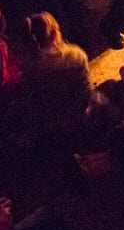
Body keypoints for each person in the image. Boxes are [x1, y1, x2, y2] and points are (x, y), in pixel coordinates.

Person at [19, 11, 92, 143]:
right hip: (74, 122)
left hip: (46, 123)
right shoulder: (76, 55)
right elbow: (85, 96)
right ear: (55, 34)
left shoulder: (27, 62)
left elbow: (31, 97)